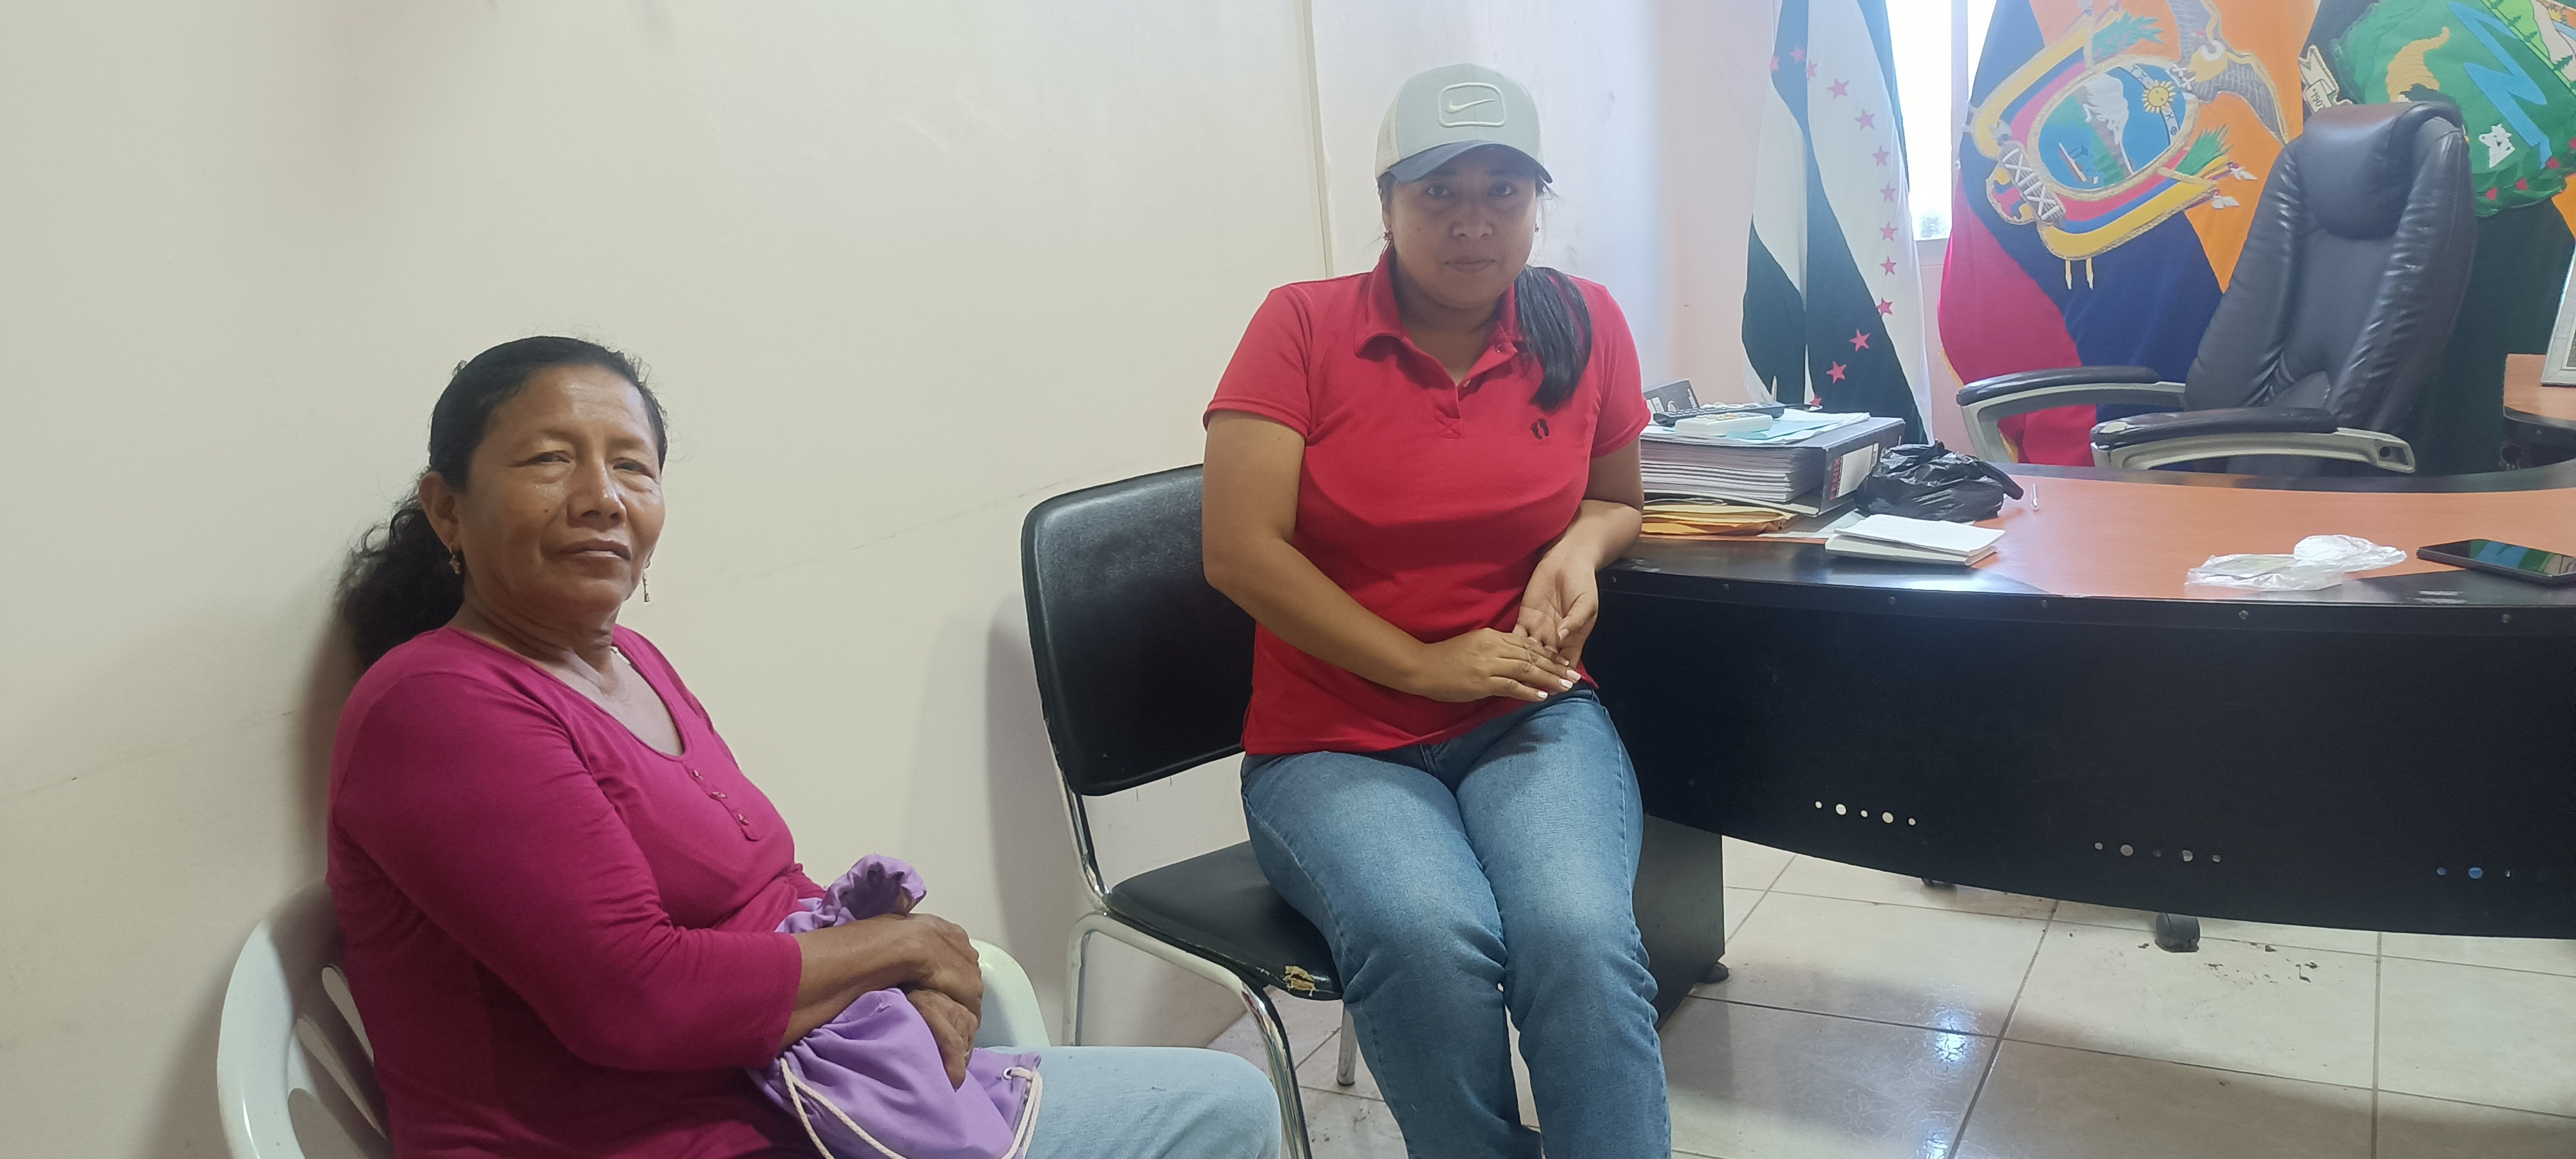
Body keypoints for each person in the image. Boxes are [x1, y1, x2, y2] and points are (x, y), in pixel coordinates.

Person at [328, 336, 1280, 1158]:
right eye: (549, 459)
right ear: (447, 508)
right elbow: (637, 1000)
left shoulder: (632, 664)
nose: (602, 498)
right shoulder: (439, 707)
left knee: (1223, 1102)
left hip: (800, 1090)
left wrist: (897, 976)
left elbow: (769, 883)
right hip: (644, 1135)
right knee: (1212, 1115)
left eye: (633, 467)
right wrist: (903, 948)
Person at [1200, 64, 1667, 1158]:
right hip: (1332, 742)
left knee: (1578, 935)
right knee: (1426, 935)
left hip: (1527, 711)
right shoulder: (1301, 326)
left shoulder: (1584, 320)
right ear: (1386, 204)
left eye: (1504, 191)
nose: (1473, 222)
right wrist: (1421, 666)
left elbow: (1618, 500)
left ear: (1536, 204)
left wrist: (1578, 552)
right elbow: (1239, 551)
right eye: (1438, 193)